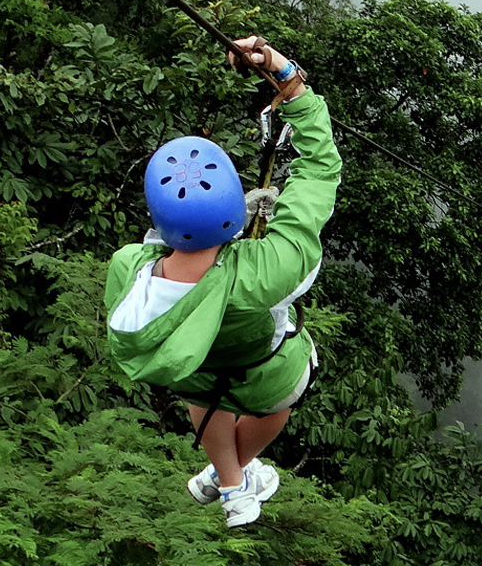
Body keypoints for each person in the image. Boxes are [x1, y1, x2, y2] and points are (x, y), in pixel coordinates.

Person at [102, 36, 339, 528]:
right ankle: (233, 477)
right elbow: (318, 170)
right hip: (263, 373)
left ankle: (229, 482)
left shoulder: (128, 267)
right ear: (234, 210)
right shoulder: (265, 270)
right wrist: (289, 81)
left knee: (204, 399)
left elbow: (155, 253)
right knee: (281, 402)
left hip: (196, 374)